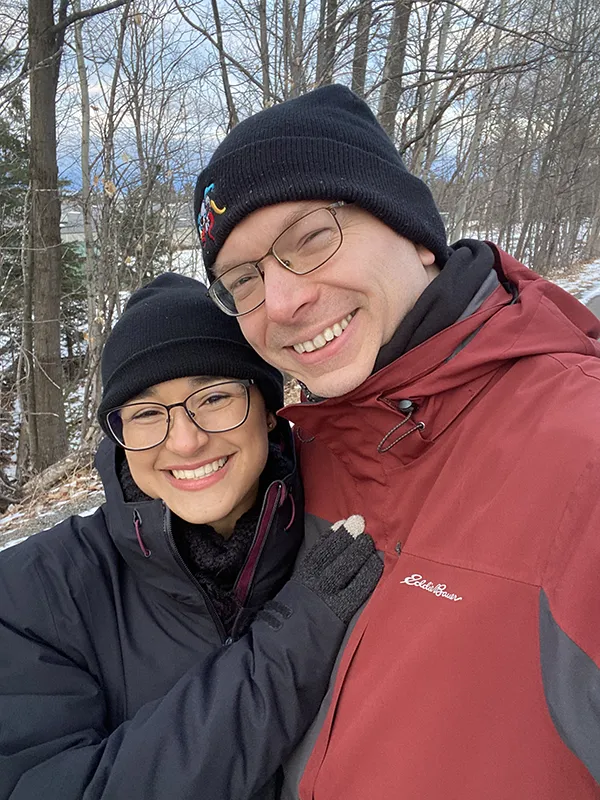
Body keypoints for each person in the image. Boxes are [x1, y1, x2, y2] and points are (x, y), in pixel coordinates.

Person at [194, 84, 600, 798]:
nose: (283, 302)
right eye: (244, 279)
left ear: (412, 229)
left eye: (310, 238)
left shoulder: (582, 453)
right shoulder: (307, 453)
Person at [0, 273, 382, 800]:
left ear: (270, 411)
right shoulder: (30, 594)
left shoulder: (340, 535)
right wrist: (294, 640)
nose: (185, 440)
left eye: (215, 397)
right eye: (145, 413)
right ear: (120, 436)